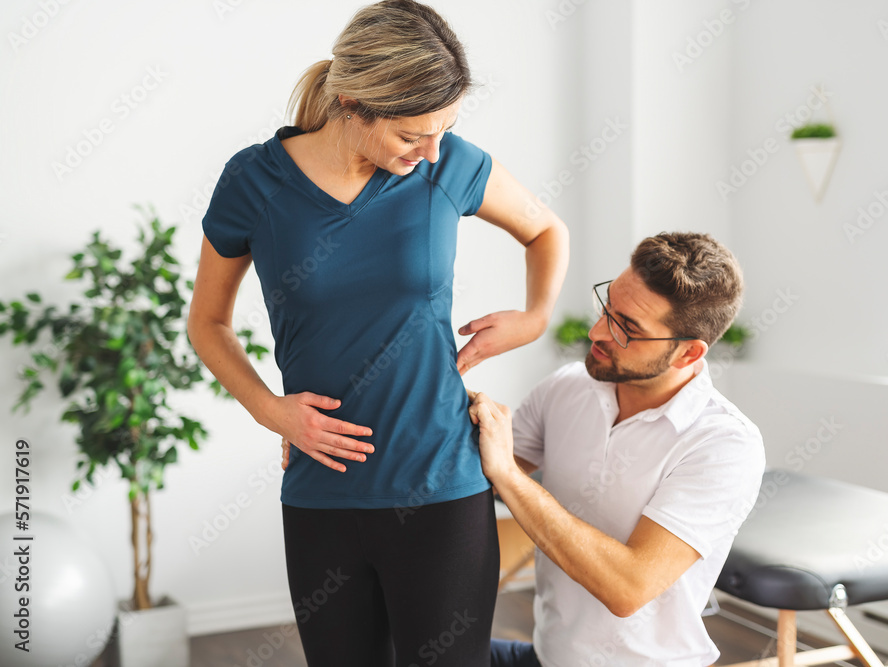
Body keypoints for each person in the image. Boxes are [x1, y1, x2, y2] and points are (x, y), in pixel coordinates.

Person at [187, 1, 569, 664]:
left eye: (444, 130)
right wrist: (271, 410)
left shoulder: (447, 168)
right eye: (412, 135)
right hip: (322, 494)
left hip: (443, 486)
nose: (431, 151)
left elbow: (545, 230)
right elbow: (207, 321)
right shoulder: (254, 182)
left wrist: (533, 317)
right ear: (352, 102)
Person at [467, 232, 765, 667]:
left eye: (627, 328)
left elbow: (627, 588)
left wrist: (509, 477)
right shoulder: (569, 386)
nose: (597, 332)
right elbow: (479, 466)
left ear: (687, 354)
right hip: (547, 658)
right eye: (606, 307)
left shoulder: (724, 445)